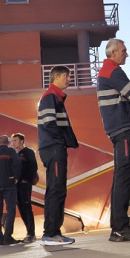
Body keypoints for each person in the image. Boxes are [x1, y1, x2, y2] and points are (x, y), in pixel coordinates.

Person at [97, 39, 130, 242]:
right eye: (124, 51)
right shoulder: (114, 71)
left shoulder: (105, 72)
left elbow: (128, 95)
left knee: (121, 176)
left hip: (116, 129)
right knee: (123, 177)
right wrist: (127, 96)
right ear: (113, 53)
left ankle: (119, 227)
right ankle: (120, 227)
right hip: (123, 127)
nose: (127, 54)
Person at [37, 65, 78, 246]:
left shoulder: (54, 97)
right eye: (67, 76)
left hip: (54, 147)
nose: (69, 79)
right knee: (56, 190)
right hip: (54, 148)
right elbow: (49, 123)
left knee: (56, 189)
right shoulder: (50, 96)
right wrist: (61, 142)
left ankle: (53, 233)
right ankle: (51, 234)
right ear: (58, 77)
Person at [11, 132, 39, 243]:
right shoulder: (15, 155)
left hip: (25, 184)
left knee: (27, 207)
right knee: (21, 208)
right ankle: (28, 232)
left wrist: (25, 179)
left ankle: (32, 234)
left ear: (22, 141)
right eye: (12, 141)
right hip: (16, 186)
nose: (13, 143)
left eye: (15, 140)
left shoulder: (28, 152)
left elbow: (33, 167)